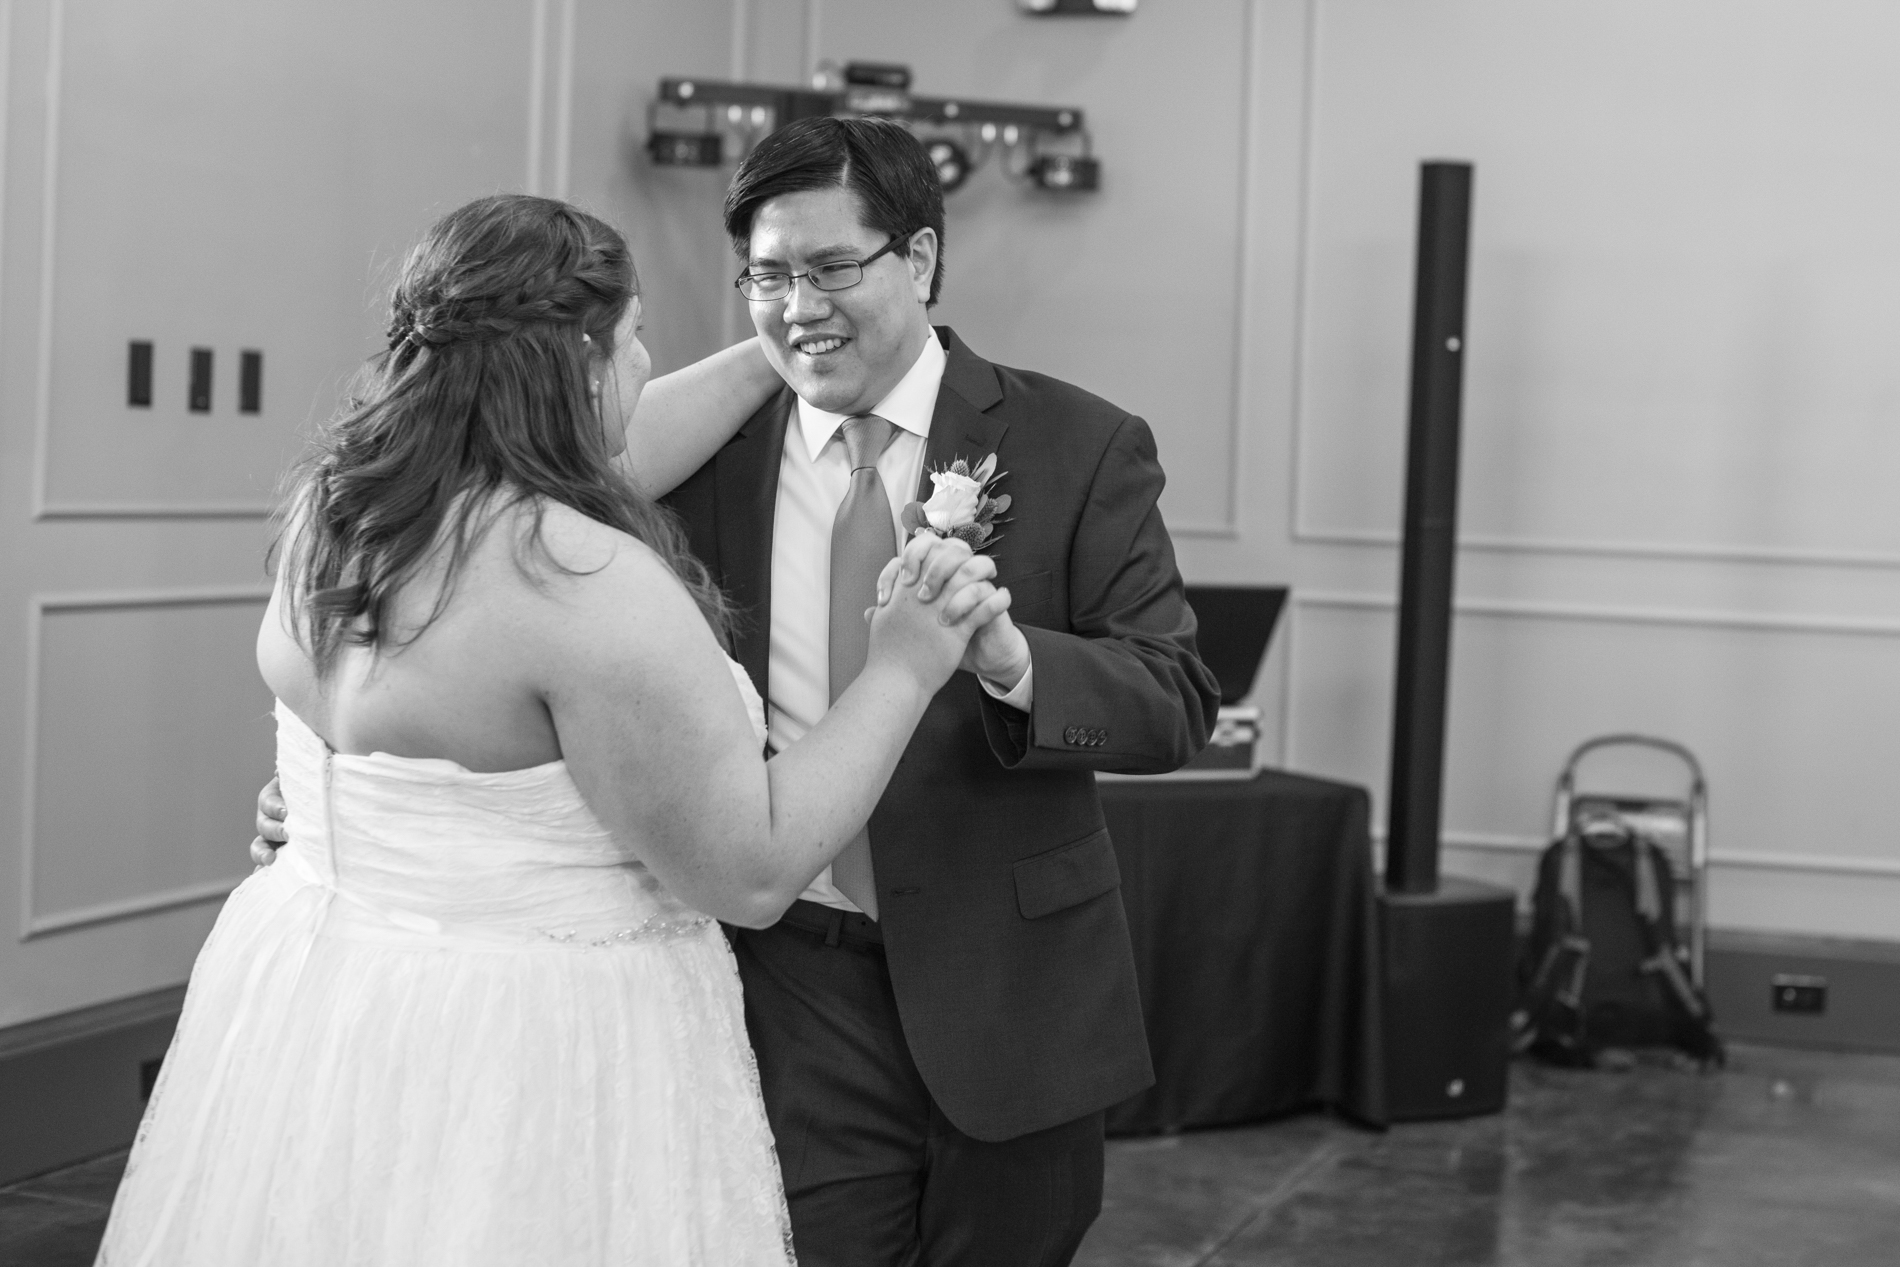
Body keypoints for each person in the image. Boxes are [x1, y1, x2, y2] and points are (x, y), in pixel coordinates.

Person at [96, 193, 1010, 1267]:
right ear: (579, 360)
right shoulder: (582, 584)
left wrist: (782, 342)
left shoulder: (338, 513)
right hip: (527, 1043)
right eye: (632, 341)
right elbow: (751, 871)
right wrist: (901, 667)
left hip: (322, 996)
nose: (644, 361)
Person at [663, 118, 1222, 1265]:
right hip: (787, 982)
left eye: (831, 267)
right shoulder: (702, 465)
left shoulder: (1080, 444)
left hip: (1016, 991)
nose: (795, 305)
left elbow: (1175, 695)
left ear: (917, 259)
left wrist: (1015, 665)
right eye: (767, 274)